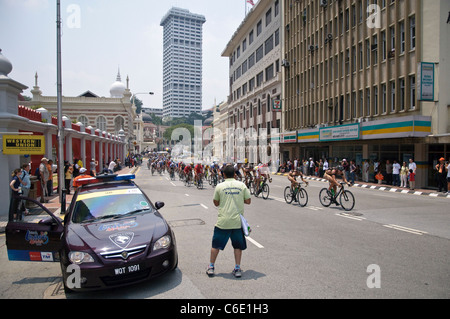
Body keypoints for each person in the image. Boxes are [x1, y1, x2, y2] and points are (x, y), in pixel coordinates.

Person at [207, 164, 251, 278]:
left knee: (215, 246)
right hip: (237, 223)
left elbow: (216, 202)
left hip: (223, 222)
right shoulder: (241, 185)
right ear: (235, 174)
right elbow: (248, 200)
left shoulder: (219, 186)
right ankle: (237, 269)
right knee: (237, 247)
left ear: (224, 174)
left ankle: (211, 267)